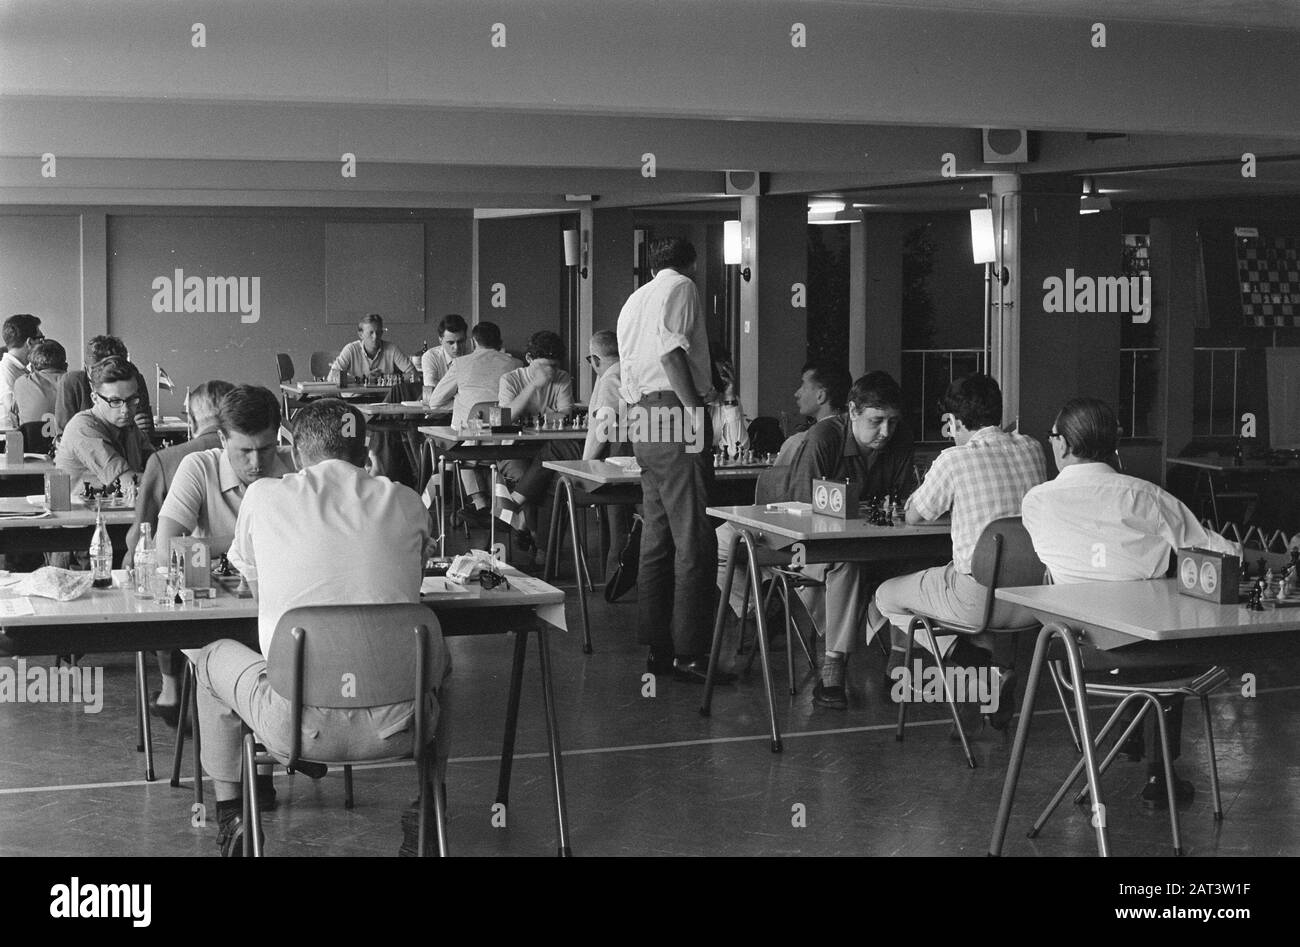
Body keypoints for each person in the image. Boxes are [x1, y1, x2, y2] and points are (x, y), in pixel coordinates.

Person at [196, 398, 449, 856]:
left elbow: (257, 591)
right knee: (441, 674)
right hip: (402, 725)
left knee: (211, 657)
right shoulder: (408, 501)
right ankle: (429, 809)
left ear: (293, 450)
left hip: (295, 725)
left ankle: (234, 815)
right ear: (365, 450)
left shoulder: (262, 497)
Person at [1022, 397, 1242, 808]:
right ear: (1111, 446)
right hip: (1150, 644)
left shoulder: (1035, 502)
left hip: (1078, 646)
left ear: (1065, 446)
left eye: (1053, 437)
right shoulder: (1148, 497)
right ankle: (1161, 773)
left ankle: (1129, 728)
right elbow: (1222, 552)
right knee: (1171, 645)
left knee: (1141, 642)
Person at [871, 373, 1046, 729]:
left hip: (977, 601)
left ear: (953, 422)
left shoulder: (954, 459)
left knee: (885, 596)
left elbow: (915, 514)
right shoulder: (1033, 447)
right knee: (954, 579)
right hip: (1034, 601)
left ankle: (969, 661)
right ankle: (985, 673)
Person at [750, 369, 916, 709]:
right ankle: (834, 667)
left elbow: (903, 504)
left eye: (893, 422)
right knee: (847, 562)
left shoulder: (900, 439)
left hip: (873, 544)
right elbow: (798, 514)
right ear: (853, 411)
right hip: (802, 547)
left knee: (914, 564)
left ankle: (900, 658)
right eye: (877, 420)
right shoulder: (822, 438)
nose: (886, 432)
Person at [616, 237, 725, 684]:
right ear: (692, 262)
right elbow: (670, 352)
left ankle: (659, 648)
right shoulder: (681, 287)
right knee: (694, 536)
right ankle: (691, 654)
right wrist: (696, 410)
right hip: (673, 412)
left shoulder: (633, 300)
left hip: (641, 415)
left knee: (657, 535)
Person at [121, 380, 235, 727]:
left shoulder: (166, 459)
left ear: (192, 417)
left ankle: (171, 690)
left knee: (156, 574)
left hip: (192, 599)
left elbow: (142, 537)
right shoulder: (266, 455)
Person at [428, 321, 522, 519]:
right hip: (506, 444)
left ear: (473, 341)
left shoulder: (460, 364)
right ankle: (501, 506)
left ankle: (479, 503)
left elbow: (435, 401)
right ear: (500, 342)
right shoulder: (516, 364)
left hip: (469, 445)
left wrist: (463, 403)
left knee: (459, 443)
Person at [491, 330, 577, 548]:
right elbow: (507, 418)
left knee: (555, 480)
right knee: (524, 474)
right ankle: (535, 537)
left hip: (549, 446)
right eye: (543, 367)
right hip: (514, 448)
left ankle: (527, 529)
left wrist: (532, 416)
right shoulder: (510, 379)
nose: (550, 373)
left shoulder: (563, 377)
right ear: (529, 359)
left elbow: (566, 414)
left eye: (554, 367)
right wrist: (533, 386)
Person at [54, 356, 154, 490]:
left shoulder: (127, 425)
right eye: (115, 401)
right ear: (95, 398)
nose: (125, 410)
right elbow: (127, 482)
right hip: (85, 509)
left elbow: (156, 463)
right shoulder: (82, 428)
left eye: (132, 400)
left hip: (117, 508)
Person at [55, 335, 154, 437]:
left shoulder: (133, 379)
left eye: (114, 369)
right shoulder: (72, 382)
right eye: (98, 370)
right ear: (86, 368)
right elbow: (64, 436)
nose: (105, 375)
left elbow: (145, 432)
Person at [328, 313, 414, 381]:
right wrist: (363, 379)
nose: (375, 337)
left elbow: (414, 374)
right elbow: (332, 376)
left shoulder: (392, 349)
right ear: (361, 335)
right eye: (371, 333)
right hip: (355, 398)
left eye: (378, 332)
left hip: (383, 399)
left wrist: (385, 378)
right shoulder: (351, 349)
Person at [0, 313, 43, 428]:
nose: (42, 345)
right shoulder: (5, 370)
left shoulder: (20, 369)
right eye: (41, 339)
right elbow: (13, 409)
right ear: (29, 342)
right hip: (8, 441)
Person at [13, 339, 67, 430]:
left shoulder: (21, 383)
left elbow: (14, 418)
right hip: (65, 443)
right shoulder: (76, 382)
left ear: (32, 368)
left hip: (30, 442)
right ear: (65, 366)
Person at [421, 313, 468, 406]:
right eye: (451, 342)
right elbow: (432, 392)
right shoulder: (430, 357)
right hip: (439, 414)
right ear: (440, 340)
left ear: (466, 338)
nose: (456, 347)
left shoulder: (473, 354)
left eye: (460, 341)